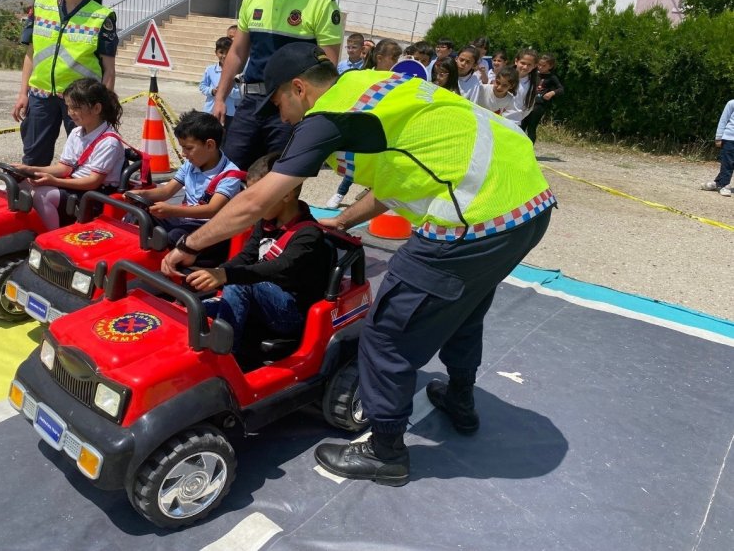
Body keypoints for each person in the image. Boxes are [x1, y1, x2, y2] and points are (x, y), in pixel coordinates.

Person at [161, 43, 554, 486]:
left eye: (278, 105)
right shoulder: (380, 86)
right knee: (466, 304)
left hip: (473, 221)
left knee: (386, 333)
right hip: (526, 206)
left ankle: (385, 450)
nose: (280, 117)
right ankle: (460, 399)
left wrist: (189, 247)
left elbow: (256, 200)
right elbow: (401, 174)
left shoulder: (331, 115)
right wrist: (343, 220)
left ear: (299, 88)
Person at [211, 0, 343, 171]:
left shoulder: (322, 2)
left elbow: (328, 69)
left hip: (290, 109)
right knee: (228, 177)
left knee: (276, 188)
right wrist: (220, 98)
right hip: (250, 104)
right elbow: (238, 52)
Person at [187, 152, 332, 351]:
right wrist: (214, 273)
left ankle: (226, 356)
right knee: (197, 310)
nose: (253, 204)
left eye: (258, 197)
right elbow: (247, 255)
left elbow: (279, 268)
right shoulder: (266, 221)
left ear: (287, 194)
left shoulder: (308, 235)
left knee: (239, 283)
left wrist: (225, 275)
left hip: (291, 314)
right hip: (262, 297)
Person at [12, 0, 118, 167]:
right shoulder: (41, 6)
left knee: (82, 161)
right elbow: (31, 53)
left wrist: (104, 106)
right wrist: (23, 93)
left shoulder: (101, 16)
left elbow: (108, 69)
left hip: (81, 101)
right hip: (40, 97)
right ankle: (33, 200)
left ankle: (74, 201)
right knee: (33, 159)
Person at [14, 79, 125, 230]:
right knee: (20, 184)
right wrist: (28, 170)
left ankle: (51, 241)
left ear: (97, 108)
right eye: (68, 107)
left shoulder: (109, 142)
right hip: (76, 185)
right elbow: (64, 168)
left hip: (96, 195)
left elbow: (93, 181)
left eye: (76, 108)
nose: (70, 112)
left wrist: (54, 181)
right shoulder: (77, 132)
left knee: (42, 195)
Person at [126, 111, 242, 249]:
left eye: (188, 148)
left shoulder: (229, 175)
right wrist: (141, 195)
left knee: (174, 237)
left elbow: (212, 209)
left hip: (209, 228)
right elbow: (166, 192)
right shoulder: (191, 165)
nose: (183, 154)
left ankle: (151, 263)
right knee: (139, 215)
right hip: (184, 219)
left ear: (210, 145)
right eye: (182, 148)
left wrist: (172, 210)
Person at [326, 38, 403, 208]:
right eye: (393, 59)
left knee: (382, 164)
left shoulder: (398, 79)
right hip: (363, 125)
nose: (395, 63)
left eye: (397, 59)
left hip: (385, 127)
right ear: (380, 57)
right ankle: (340, 193)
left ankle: (371, 201)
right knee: (356, 161)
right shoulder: (362, 75)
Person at [519, 53, 563, 144]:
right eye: (539, 64)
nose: (540, 67)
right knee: (521, 126)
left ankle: (529, 150)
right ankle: (518, 148)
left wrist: (551, 93)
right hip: (528, 103)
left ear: (550, 66)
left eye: (544, 66)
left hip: (539, 105)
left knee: (531, 128)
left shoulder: (552, 77)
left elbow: (561, 89)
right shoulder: (533, 74)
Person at [200, 37, 241, 127]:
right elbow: (202, 86)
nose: (224, 56)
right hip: (210, 110)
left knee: (225, 137)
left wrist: (226, 91)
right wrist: (212, 91)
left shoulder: (237, 72)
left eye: (228, 52)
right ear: (216, 53)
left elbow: (241, 92)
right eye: (221, 52)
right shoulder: (210, 70)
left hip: (228, 112)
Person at [701, 98, 734, 197]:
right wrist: (719, 137)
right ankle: (724, 185)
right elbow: (723, 120)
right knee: (728, 163)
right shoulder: (731, 103)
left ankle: (717, 183)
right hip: (729, 139)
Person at [502, 48, 539, 126]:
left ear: (534, 66)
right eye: (523, 63)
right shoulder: (504, 76)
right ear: (516, 61)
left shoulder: (532, 84)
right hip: (496, 116)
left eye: (529, 65)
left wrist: (517, 117)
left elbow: (528, 107)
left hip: (513, 123)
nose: (525, 67)